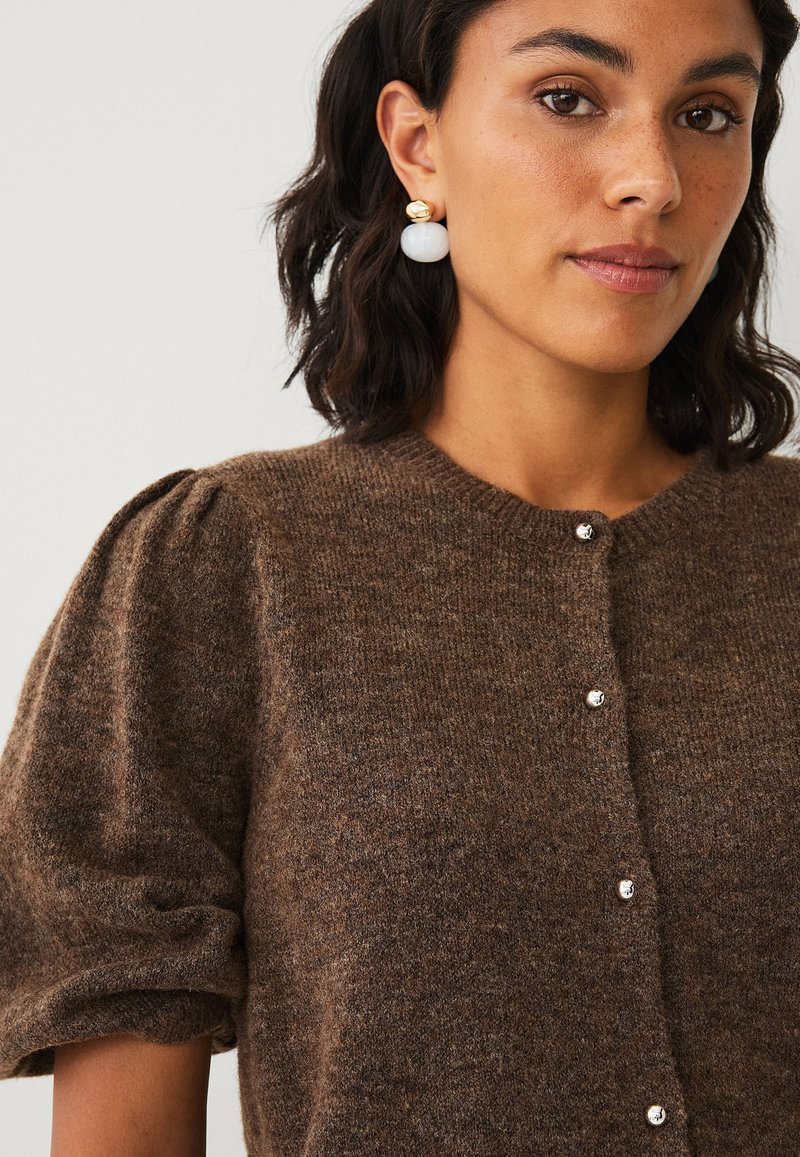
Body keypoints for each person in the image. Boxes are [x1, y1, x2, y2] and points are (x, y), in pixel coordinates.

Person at [2, 0, 800, 1153]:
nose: (653, 179)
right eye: (567, 98)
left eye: (707, 114)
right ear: (417, 144)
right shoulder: (223, 564)